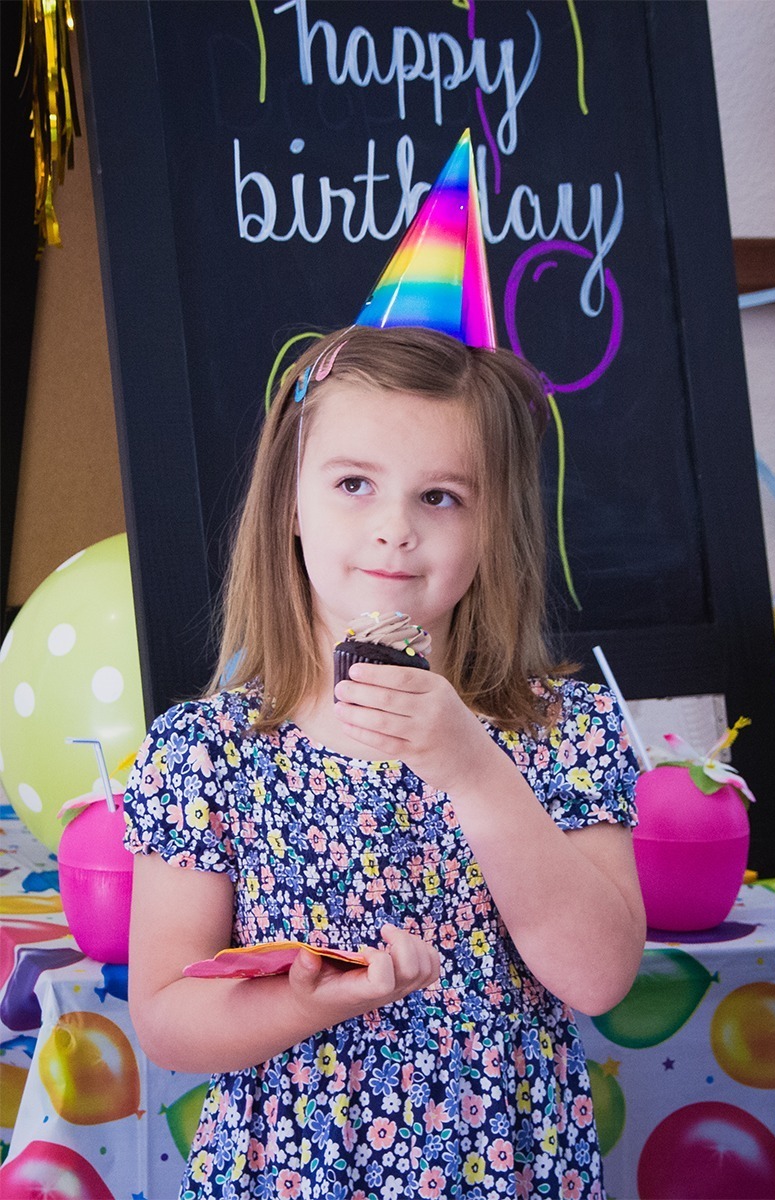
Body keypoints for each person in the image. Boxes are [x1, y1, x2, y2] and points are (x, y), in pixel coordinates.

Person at [124, 321, 646, 1200]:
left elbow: (597, 978)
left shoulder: (561, 732)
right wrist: (307, 1002)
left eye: (440, 496)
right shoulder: (207, 753)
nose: (394, 529)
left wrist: (473, 770)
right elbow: (167, 1019)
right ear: (290, 503)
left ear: (491, 527)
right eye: (355, 484)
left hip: (506, 1168)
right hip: (293, 1173)